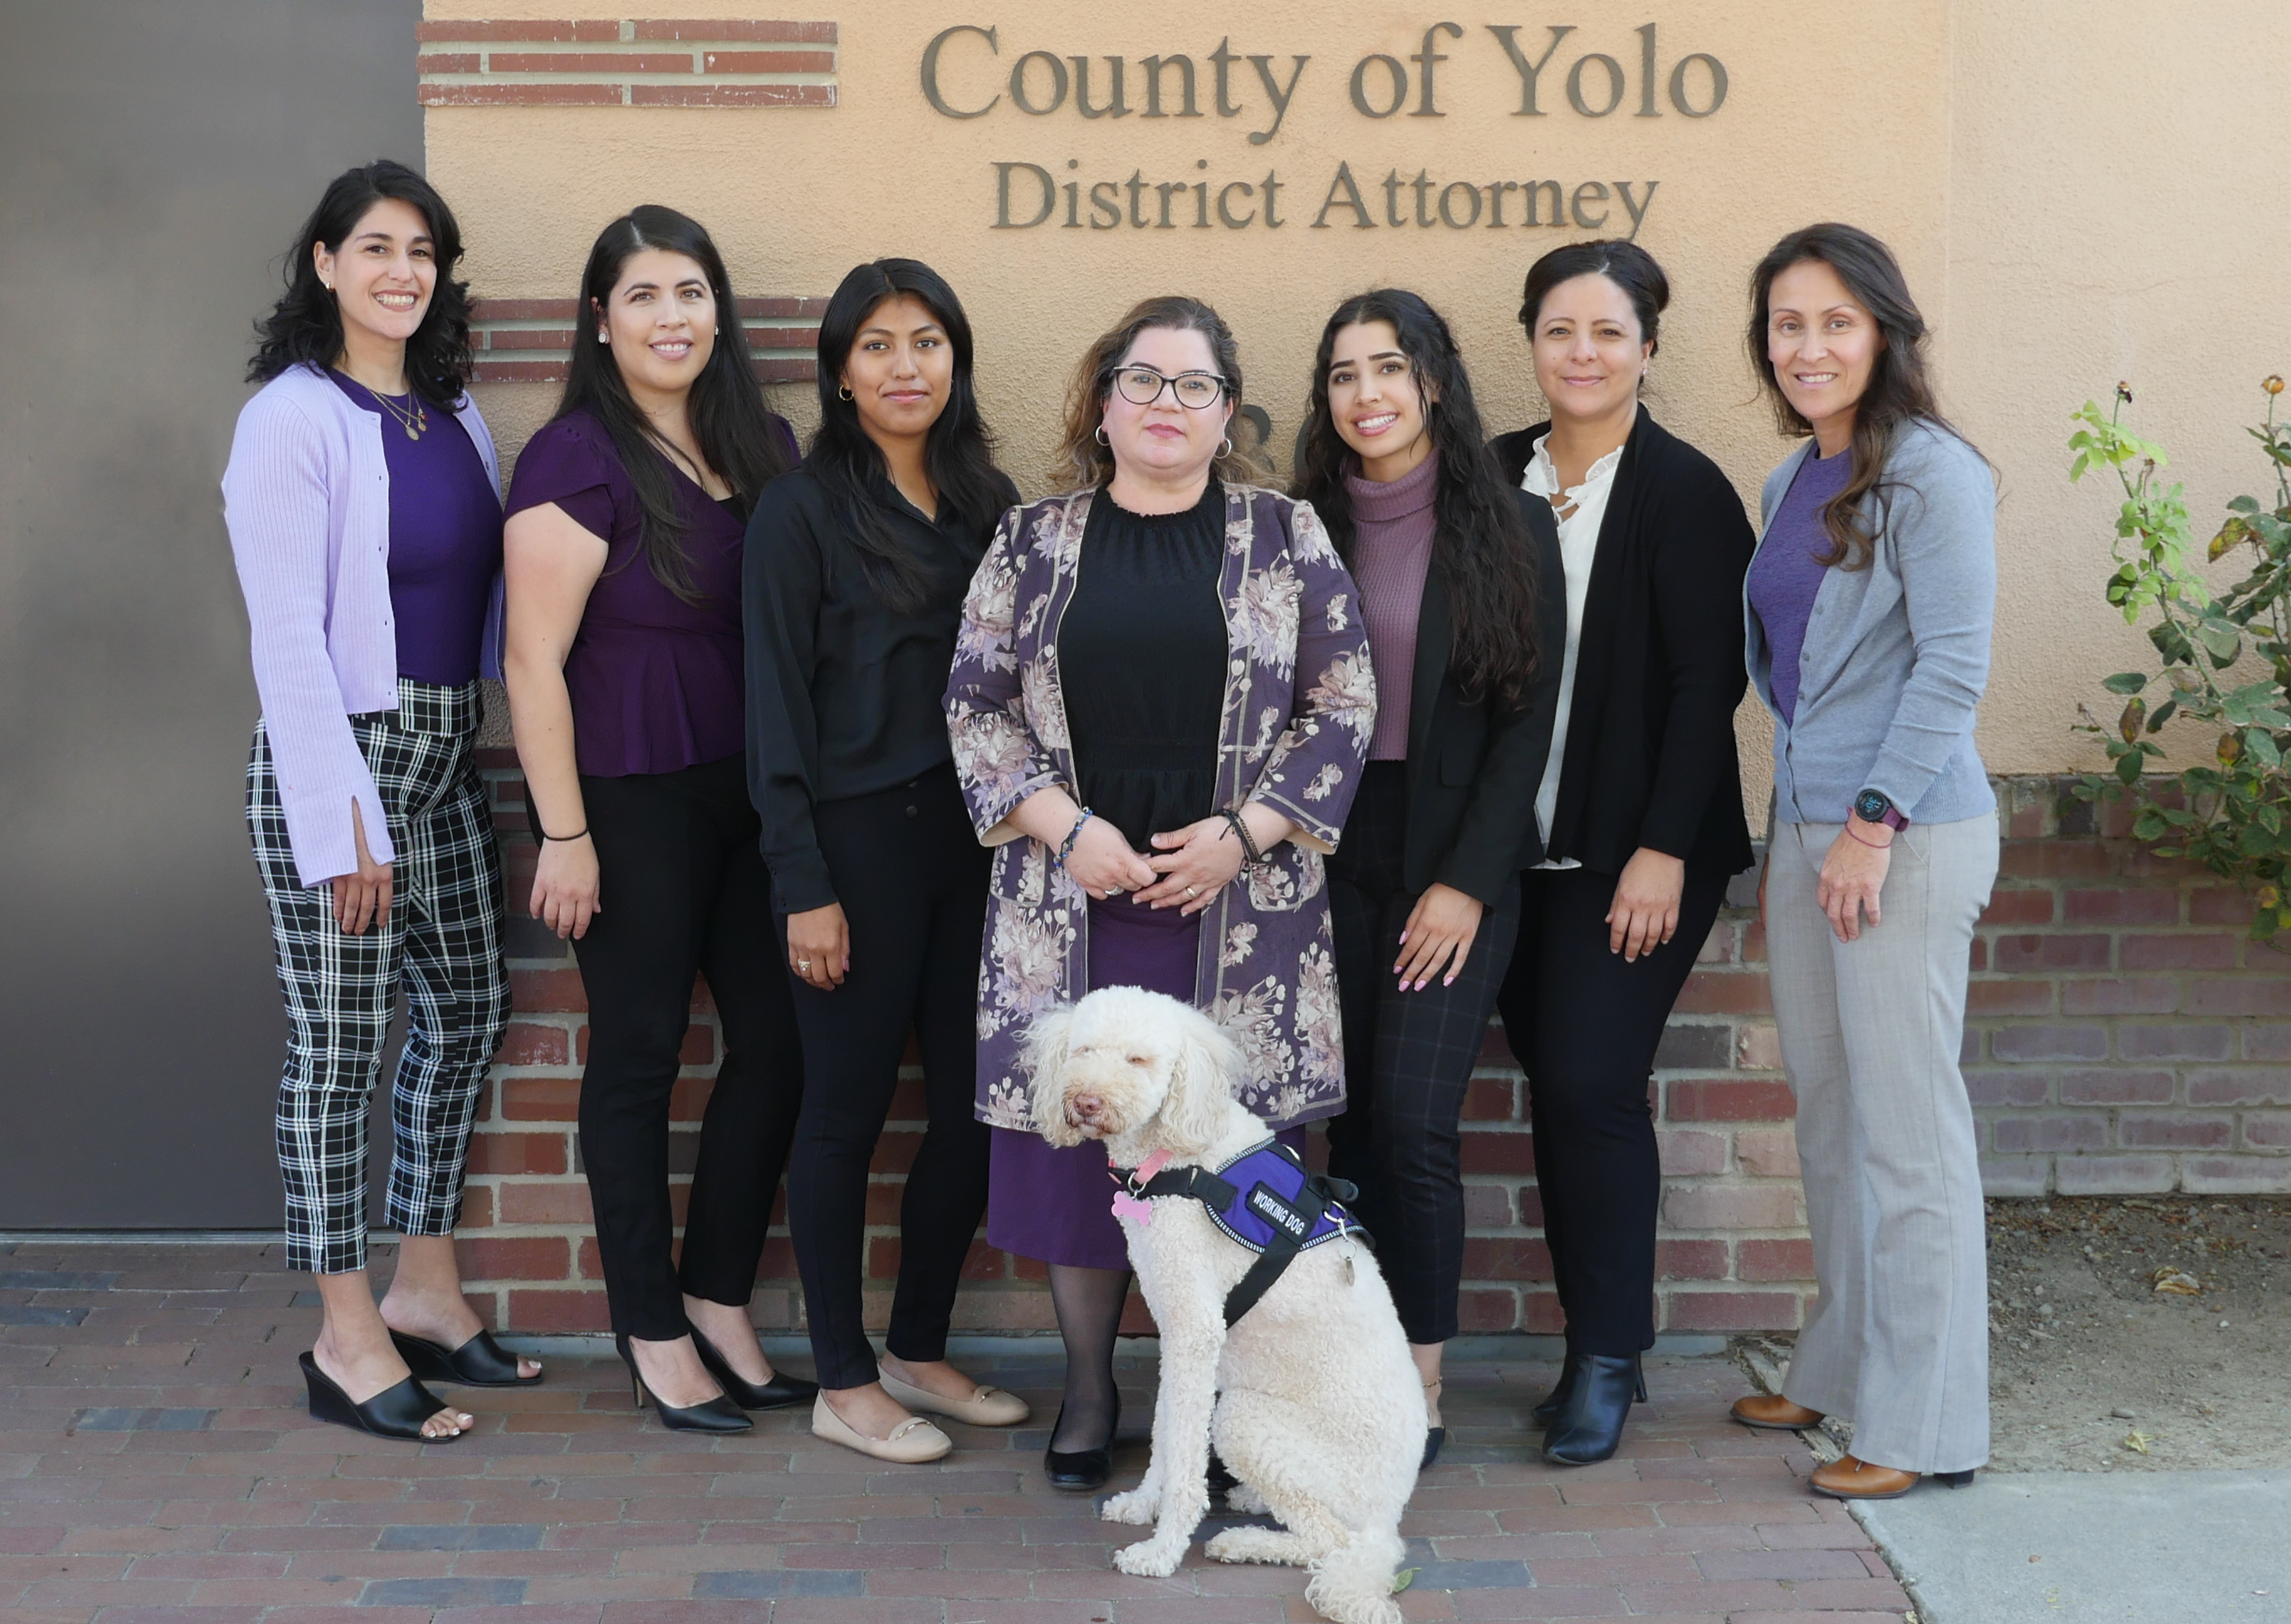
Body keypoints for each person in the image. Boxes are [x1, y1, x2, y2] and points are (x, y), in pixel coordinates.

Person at [944, 295, 1375, 1491]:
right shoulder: (1033, 541)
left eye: (1193, 387)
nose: (1166, 406)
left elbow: (1343, 705)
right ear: (1104, 400)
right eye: (1144, 381)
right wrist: (1065, 828)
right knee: (1080, 1149)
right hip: (1069, 900)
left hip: (1238, 905)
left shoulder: (1286, 535)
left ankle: (1242, 1396)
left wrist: (1246, 833)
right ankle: (1090, 1391)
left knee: (1230, 1158)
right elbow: (974, 704)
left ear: (1228, 410)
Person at [224, 159, 535, 1442]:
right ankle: (345, 1336)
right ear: (326, 264)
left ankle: (426, 1290)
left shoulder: (453, 412)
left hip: (446, 760)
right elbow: (289, 635)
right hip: (341, 763)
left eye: (424, 251)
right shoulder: (290, 418)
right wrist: (341, 822)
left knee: (466, 1008)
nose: (403, 271)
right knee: (341, 1050)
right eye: (376, 248)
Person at [503, 205, 809, 1434]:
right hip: (626, 799)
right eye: (643, 296)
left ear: (718, 311)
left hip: (753, 796)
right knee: (637, 1060)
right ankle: (651, 1327)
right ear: (601, 320)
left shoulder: (766, 443)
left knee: (782, 1046)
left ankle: (719, 1295)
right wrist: (563, 836)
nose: (671, 316)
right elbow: (531, 665)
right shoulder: (572, 458)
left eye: (691, 292)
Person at [1726, 224, 1998, 1501]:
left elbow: (1949, 668)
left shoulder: (1934, 474)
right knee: (1833, 1121)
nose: (1810, 345)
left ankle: (1922, 1421)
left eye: (1835, 320)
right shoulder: (1795, 478)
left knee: (1908, 1134)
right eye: (1788, 323)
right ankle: (1837, 1366)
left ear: (1883, 329)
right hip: (1806, 832)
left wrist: (1872, 825)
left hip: (1903, 834)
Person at [744, 260, 1027, 1464]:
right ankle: (845, 1381)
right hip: (853, 845)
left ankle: (917, 1347)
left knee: (974, 1109)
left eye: (927, 342)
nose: (905, 366)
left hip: (977, 845)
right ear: (840, 369)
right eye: (876, 345)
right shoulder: (800, 511)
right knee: (846, 1112)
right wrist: (802, 880)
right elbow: (774, 708)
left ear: (955, 361)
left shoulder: (988, 501)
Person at [1488, 241, 1758, 1465]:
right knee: (1562, 1084)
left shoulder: (1685, 491)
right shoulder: (1491, 475)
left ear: (1647, 346)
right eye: (1560, 331)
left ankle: (1605, 1358)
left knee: (1592, 1085)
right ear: (1532, 343)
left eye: (1608, 332)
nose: (1583, 354)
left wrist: (1658, 851)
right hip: (1510, 852)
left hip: (1634, 855)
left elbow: (1711, 687)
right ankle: (1603, 1342)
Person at [1291, 289, 1562, 1470]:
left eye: (1389, 369)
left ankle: (1422, 1383)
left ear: (1436, 384)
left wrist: (1465, 882)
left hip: (1452, 858)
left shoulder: (1510, 526)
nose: (1368, 395)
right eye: (1344, 374)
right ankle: (1342, 1366)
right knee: (1337, 1127)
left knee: (1412, 1124)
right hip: (1326, 851)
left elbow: (1525, 726)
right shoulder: (1293, 527)